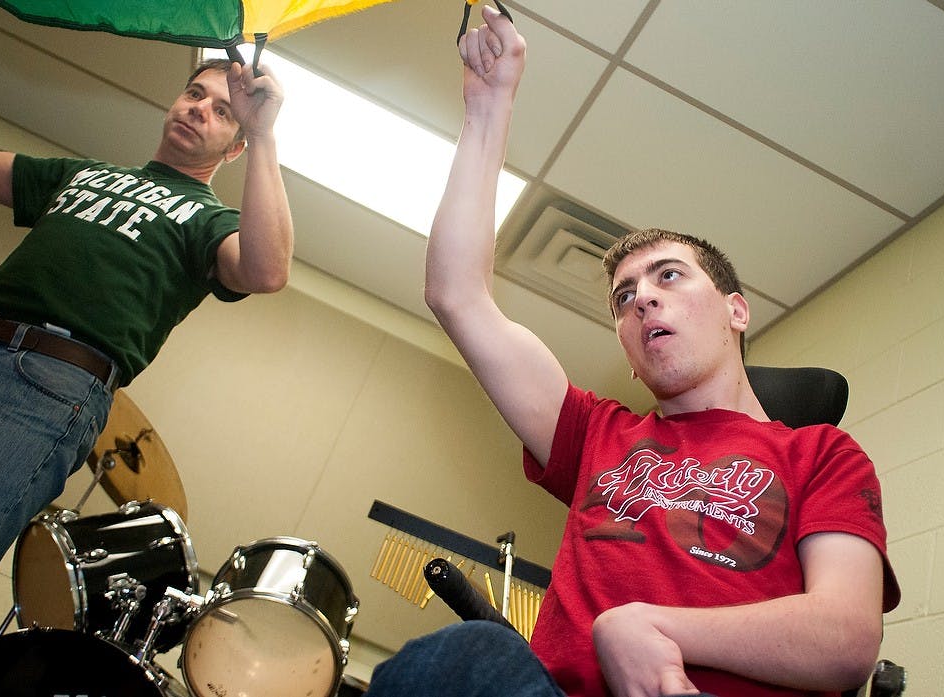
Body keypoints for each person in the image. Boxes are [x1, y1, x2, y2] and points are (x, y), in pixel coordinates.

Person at [365, 6, 900, 697]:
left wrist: (649, 626)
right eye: (624, 297)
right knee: (452, 658)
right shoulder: (596, 434)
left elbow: (846, 639)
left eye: (668, 276)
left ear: (737, 309)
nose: (642, 298)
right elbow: (455, 294)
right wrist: (487, 106)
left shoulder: (822, 455)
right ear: (629, 352)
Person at [0, 52, 294, 628]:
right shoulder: (87, 174)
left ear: (233, 147)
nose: (199, 110)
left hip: (44, 385)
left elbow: (266, 271)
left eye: (222, 112)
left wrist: (263, 133)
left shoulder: (206, 218)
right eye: (194, 94)